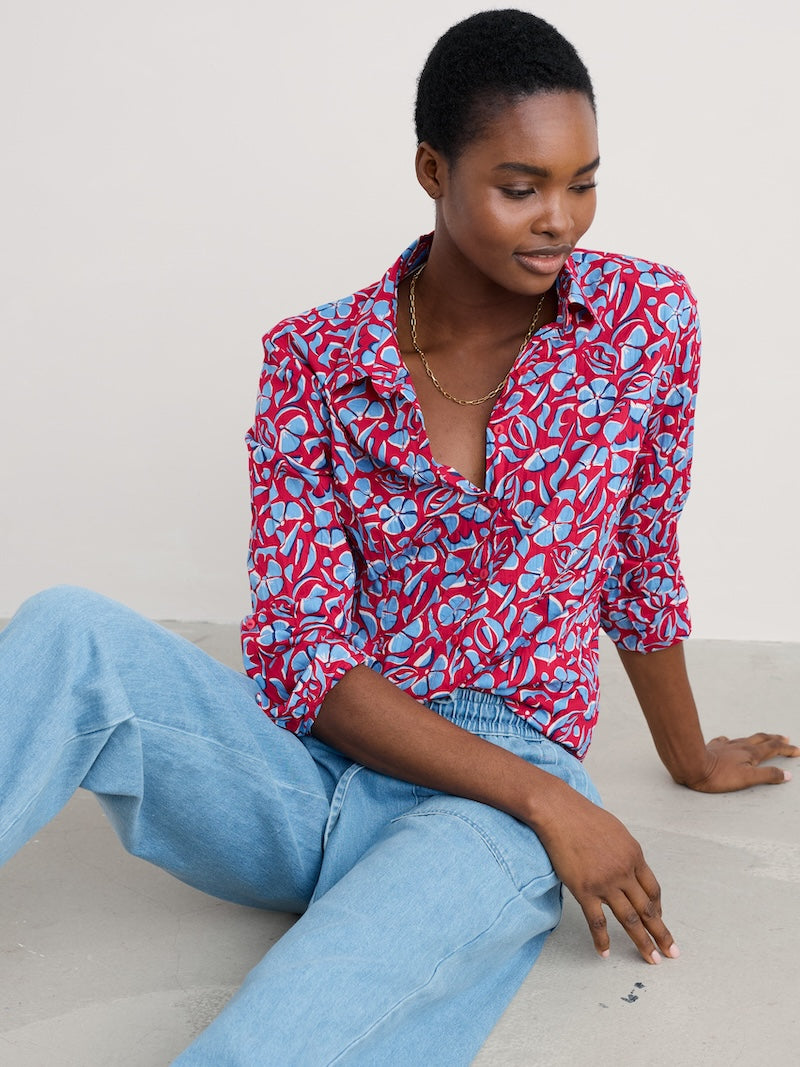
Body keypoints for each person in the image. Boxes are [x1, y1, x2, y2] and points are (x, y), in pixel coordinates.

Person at [1, 9, 797, 1065]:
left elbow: (639, 554)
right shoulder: (313, 359)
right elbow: (299, 653)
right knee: (67, 632)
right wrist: (554, 800)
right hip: (318, 770)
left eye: (582, 181)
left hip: (484, 811)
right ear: (433, 168)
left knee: (269, 1039)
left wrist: (685, 755)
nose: (560, 218)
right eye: (520, 186)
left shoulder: (645, 323)